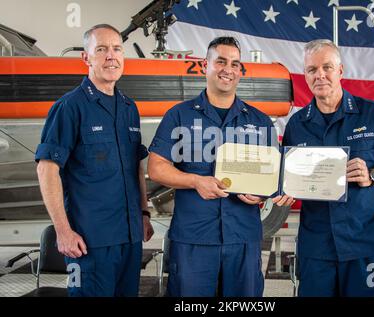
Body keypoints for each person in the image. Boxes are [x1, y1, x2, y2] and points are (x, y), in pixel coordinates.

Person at [147, 36, 294, 297]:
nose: (228, 69)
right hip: (194, 237)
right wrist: (195, 181)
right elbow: (157, 167)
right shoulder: (179, 115)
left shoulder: (260, 122)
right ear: (206, 65)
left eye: (235, 64)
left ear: (241, 71)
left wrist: (261, 194)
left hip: (243, 238)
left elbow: (273, 177)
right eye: (221, 61)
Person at [282, 39, 374, 297]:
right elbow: (287, 178)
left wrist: (373, 175)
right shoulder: (296, 125)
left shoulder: (373, 115)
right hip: (317, 246)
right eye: (312, 69)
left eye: (327, 67)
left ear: (340, 71)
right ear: (305, 75)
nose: (320, 75)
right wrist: (283, 191)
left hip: (366, 241)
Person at [35, 24, 154, 297]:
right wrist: (63, 232)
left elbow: (137, 167)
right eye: (101, 49)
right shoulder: (69, 107)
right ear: (86, 58)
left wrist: (144, 214)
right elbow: (47, 169)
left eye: (116, 49)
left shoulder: (129, 108)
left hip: (130, 238)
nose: (110, 56)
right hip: (89, 242)